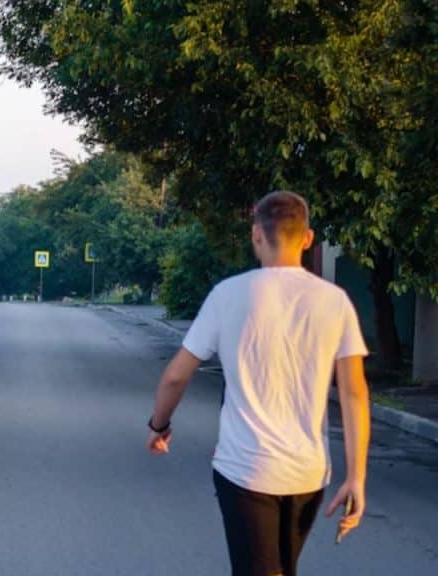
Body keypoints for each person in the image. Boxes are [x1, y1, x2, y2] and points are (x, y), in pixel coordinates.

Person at [146, 191, 371, 576]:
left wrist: (159, 425)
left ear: (256, 236)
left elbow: (176, 375)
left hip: (244, 469)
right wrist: (356, 477)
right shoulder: (335, 301)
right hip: (308, 472)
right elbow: (353, 392)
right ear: (308, 238)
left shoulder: (228, 295)